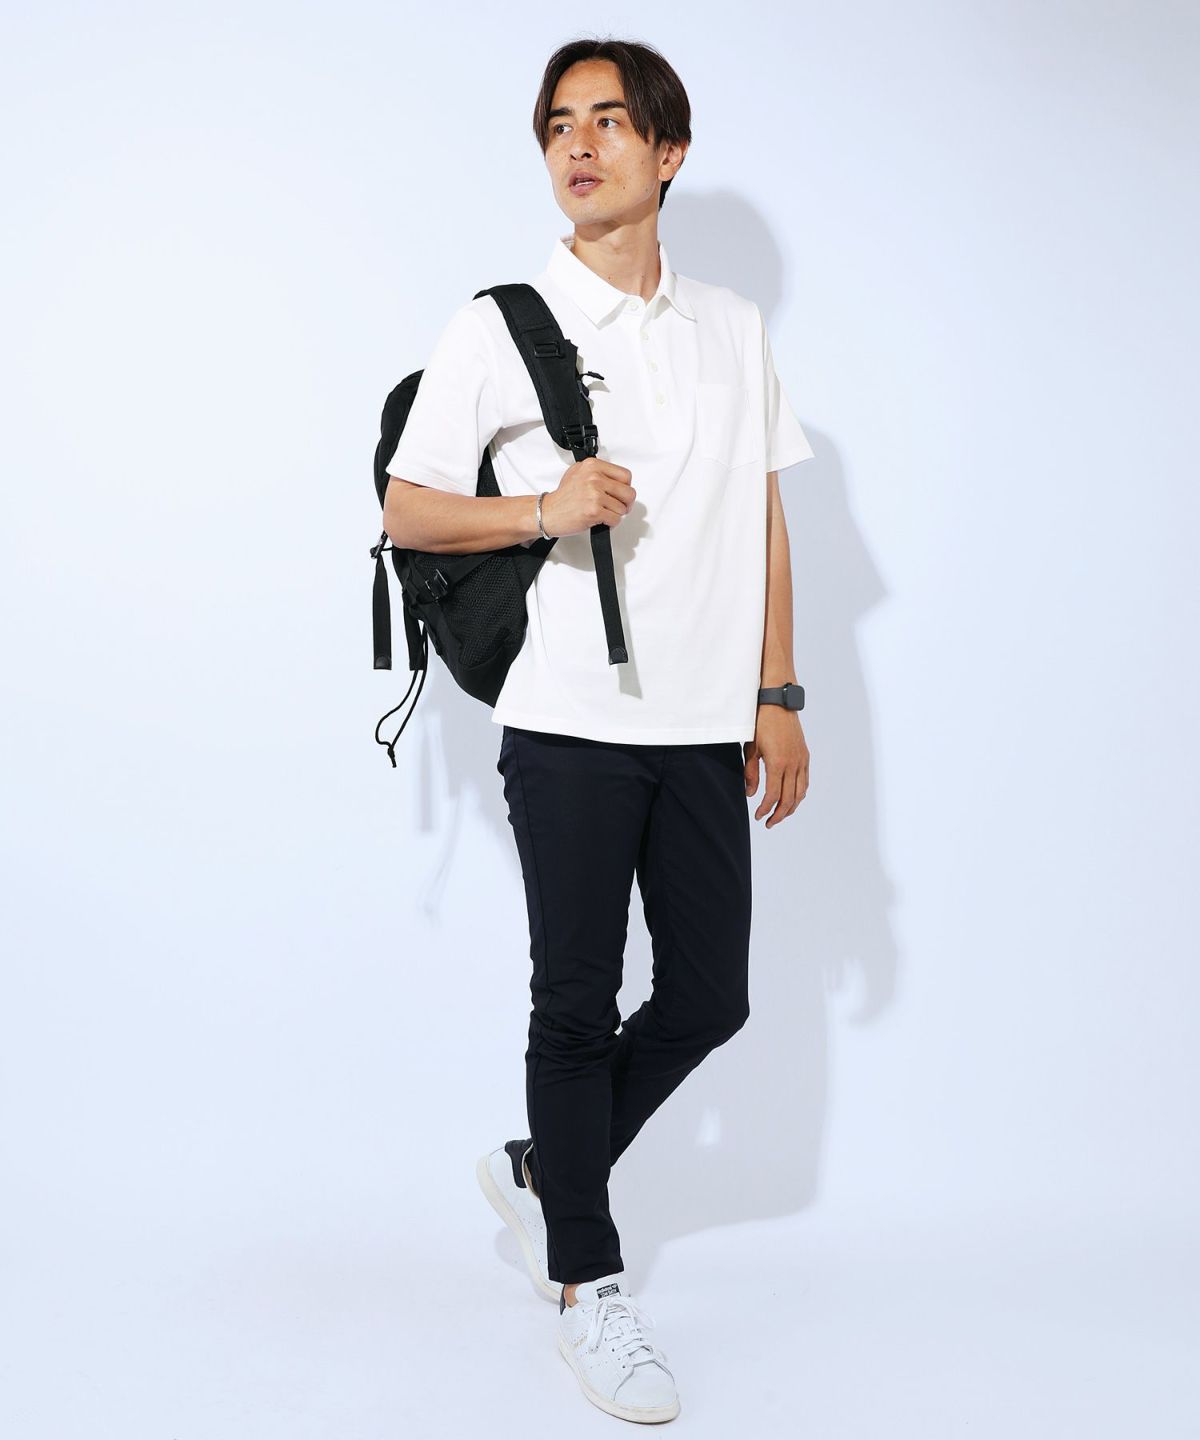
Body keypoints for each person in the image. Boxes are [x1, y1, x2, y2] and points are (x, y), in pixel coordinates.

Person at [383, 35, 814, 1426]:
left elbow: (763, 515)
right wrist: (542, 508)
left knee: (710, 997)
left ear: (668, 153)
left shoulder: (731, 327)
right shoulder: (500, 326)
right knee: (572, 998)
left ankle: (543, 1173)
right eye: (561, 124)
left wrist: (778, 694)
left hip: (701, 724)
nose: (579, 144)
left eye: (611, 121)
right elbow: (408, 507)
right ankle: (587, 1276)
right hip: (567, 718)